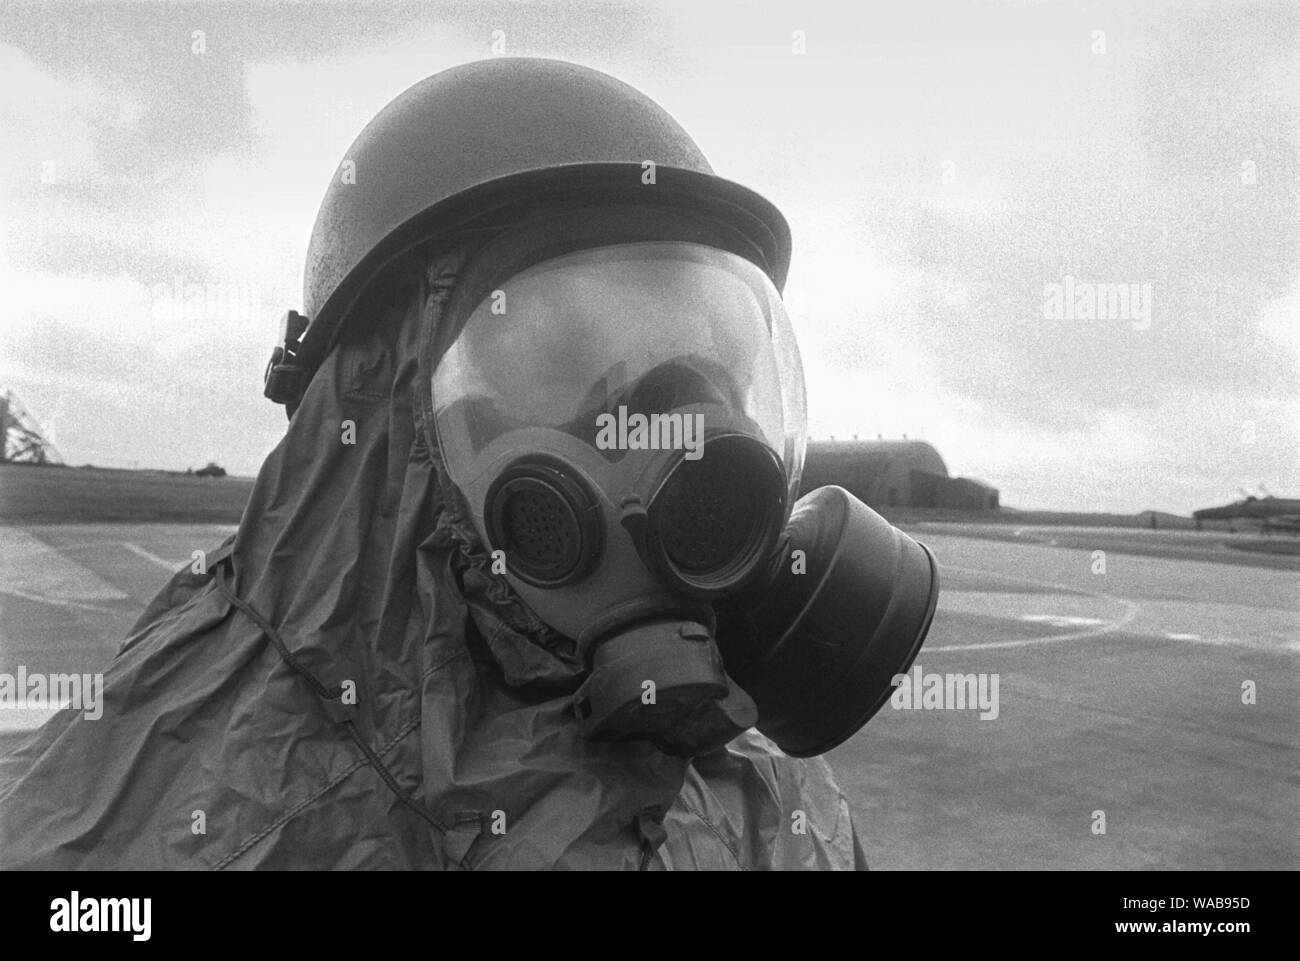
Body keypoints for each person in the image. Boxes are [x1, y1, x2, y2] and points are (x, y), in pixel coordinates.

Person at [0, 58, 937, 869]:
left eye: (710, 367)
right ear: (380, 416)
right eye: (572, 372)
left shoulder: (759, 782)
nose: (690, 452)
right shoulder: (168, 823)